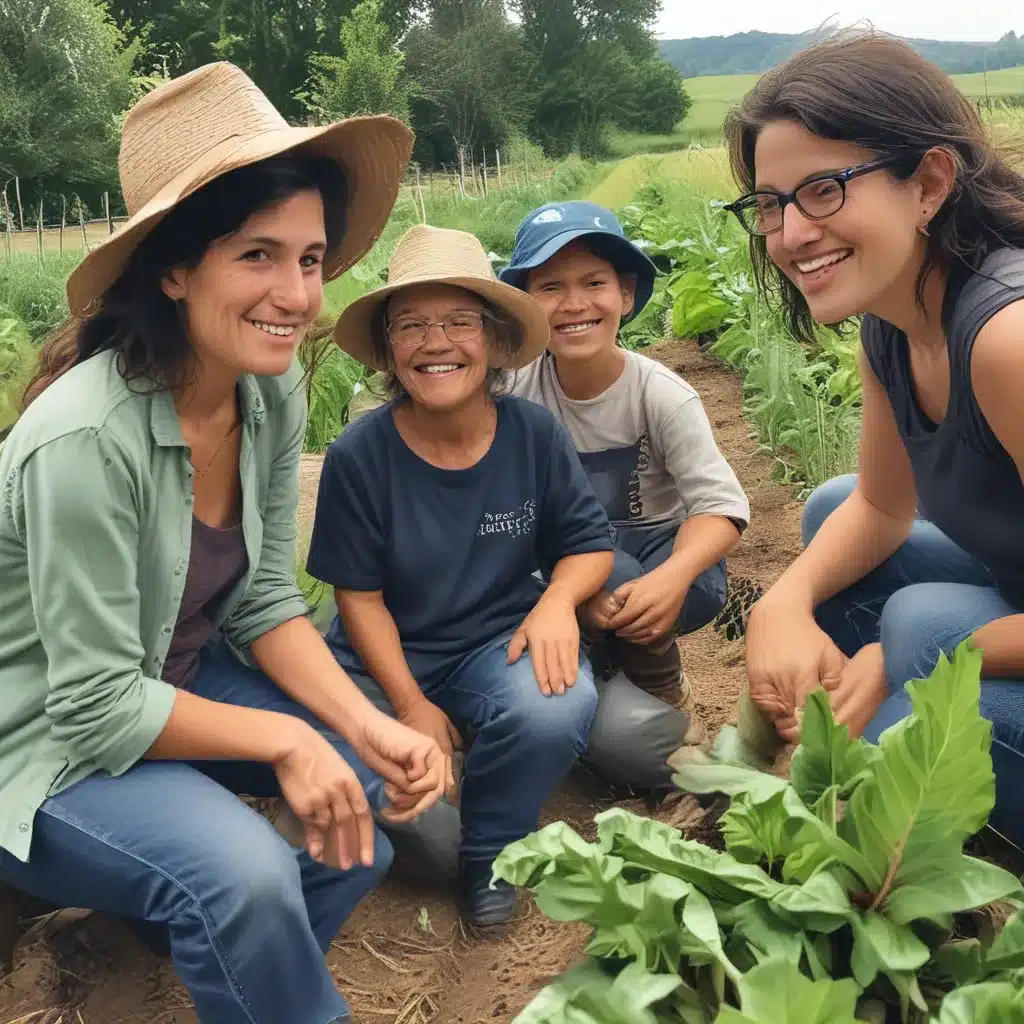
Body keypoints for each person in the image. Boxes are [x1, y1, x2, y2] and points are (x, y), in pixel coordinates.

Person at [0, 62, 450, 1024]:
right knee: (242, 875)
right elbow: (93, 706)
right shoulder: (85, 442)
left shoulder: (268, 386)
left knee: (360, 813)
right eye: (257, 256)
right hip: (45, 746)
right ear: (174, 268)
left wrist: (366, 727)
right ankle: (224, 927)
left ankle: (200, 938)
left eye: (311, 259)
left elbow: (258, 602)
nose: (295, 295)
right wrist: (289, 737)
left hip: (176, 680)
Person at [726, 32, 1024, 848]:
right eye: (770, 203)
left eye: (823, 190)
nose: (789, 234)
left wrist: (905, 658)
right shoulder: (891, 328)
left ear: (928, 183)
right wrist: (777, 606)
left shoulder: (1006, 338)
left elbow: (923, 632)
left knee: (916, 645)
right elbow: (882, 509)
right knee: (834, 516)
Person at [306, 223, 615, 926]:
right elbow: (359, 598)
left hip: (489, 646)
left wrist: (557, 602)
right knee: (428, 844)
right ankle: (460, 808)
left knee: (553, 706)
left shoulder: (533, 435)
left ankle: (494, 850)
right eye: (411, 326)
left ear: (496, 341)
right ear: (389, 349)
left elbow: (589, 544)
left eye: (457, 322)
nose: (435, 342)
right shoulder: (360, 456)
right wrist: (411, 704)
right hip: (375, 662)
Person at [498, 200, 751, 730]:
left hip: (654, 544)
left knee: (669, 580)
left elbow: (721, 507)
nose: (574, 304)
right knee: (604, 571)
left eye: (594, 283)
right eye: (549, 288)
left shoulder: (660, 394)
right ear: (522, 304)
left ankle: (660, 680)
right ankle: (605, 655)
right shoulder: (514, 391)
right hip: (562, 552)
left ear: (626, 294)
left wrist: (673, 579)